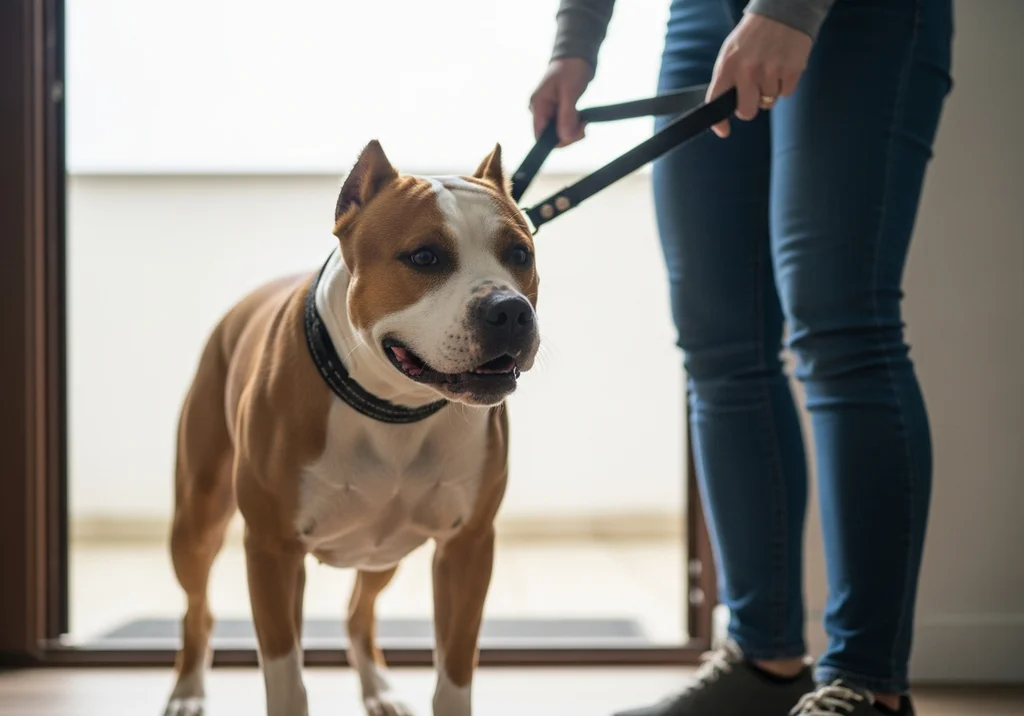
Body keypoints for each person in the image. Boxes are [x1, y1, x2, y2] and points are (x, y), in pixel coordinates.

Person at [529, 0, 953, 714]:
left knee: (842, 331)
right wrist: (575, 43)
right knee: (719, 346)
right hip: (703, 15)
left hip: (855, 16)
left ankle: (868, 682)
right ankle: (764, 665)